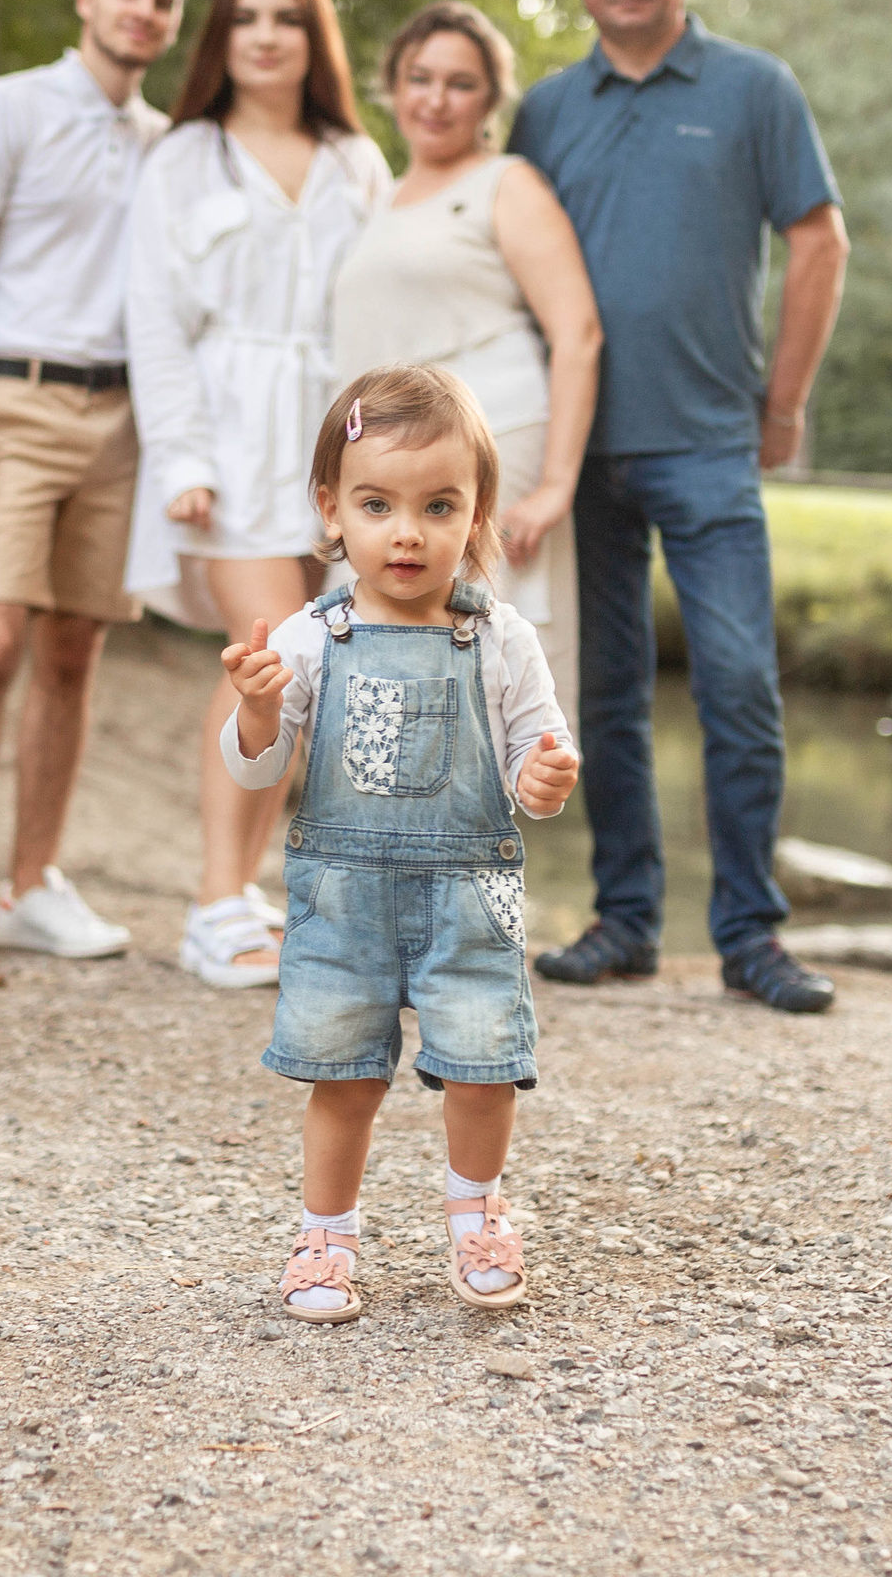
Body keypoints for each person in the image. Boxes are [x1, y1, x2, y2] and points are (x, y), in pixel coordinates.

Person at [507, 0, 851, 1012]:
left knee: (739, 686)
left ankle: (751, 934)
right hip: (578, 459)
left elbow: (818, 241)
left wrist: (784, 403)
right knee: (602, 697)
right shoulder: (548, 110)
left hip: (709, 445)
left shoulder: (756, 89)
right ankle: (626, 919)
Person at [218, 365, 580, 1321]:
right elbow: (258, 772)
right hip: (344, 900)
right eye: (378, 505)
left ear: (478, 513)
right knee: (343, 1078)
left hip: (469, 897)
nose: (408, 532)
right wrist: (256, 713)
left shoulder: (500, 636)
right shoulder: (308, 637)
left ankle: (477, 1214)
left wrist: (545, 777)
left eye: (438, 506)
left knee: (482, 1066)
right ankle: (325, 1236)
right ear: (332, 512)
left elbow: (534, 751)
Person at [0, 0, 192, 969]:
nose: (143, 12)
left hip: (123, 421)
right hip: (10, 403)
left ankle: (32, 884)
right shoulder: (7, 107)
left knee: (74, 652)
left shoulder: (168, 145)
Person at [123, 0, 394, 989]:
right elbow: (154, 319)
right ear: (222, 39)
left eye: (287, 18)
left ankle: (247, 891)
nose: (268, 36)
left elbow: (377, 320)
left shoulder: (353, 160)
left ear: (313, 36)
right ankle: (213, 902)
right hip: (228, 445)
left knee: (319, 677)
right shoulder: (185, 156)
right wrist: (182, 455)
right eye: (247, 18)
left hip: (333, 447)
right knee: (273, 656)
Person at [331, 0, 600, 715]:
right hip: (395, 464)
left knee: (497, 666)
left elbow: (578, 332)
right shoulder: (380, 201)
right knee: (401, 662)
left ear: (490, 98)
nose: (436, 99)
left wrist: (556, 484)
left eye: (461, 82)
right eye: (420, 77)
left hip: (496, 446)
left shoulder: (508, 183)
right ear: (392, 86)